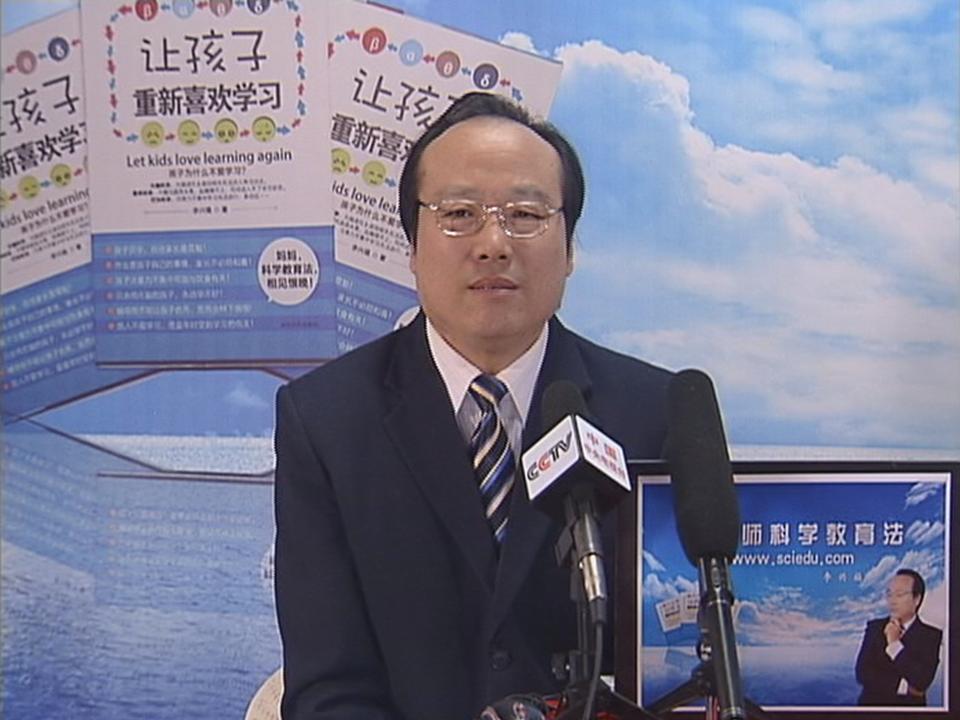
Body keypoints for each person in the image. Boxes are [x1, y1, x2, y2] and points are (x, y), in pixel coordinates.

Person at [273, 92, 673, 720]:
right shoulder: (326, 420)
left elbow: (672, 662)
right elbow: (329, 686)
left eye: (525, 214)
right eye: (459, 214)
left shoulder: (656, 413)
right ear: (412, 247)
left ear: (570, 249)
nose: (493, 244)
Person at [854, 568, 943, 706]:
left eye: (899, 595)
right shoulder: (875, 628)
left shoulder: (931, 636)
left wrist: (894, 645)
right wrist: (904, 687)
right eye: (889, 594)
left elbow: (921, 681)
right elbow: (863, 673)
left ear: (917, 599)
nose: (892, 601)